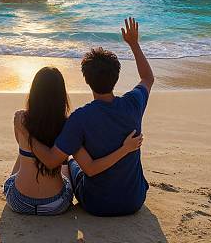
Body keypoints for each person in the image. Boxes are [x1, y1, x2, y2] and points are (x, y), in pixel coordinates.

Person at [15, 17, 153, 216]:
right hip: (134, 201)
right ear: (116, 77)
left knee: (70, 162)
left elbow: (53, 161)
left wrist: (27, 134)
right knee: (74, 153)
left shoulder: (79, 118)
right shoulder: (133, 103)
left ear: (87, 80)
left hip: (97, 204)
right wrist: (134, 44)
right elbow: (147, 78)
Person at [5, 65, 143, 216]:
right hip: (55, 204)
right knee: (67, 159)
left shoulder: (21, 119)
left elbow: (22, 144)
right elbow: (88, 167)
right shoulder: (68, 124)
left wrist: (26, 133)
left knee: (24, 153)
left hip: (19, 202)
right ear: (61, 95)